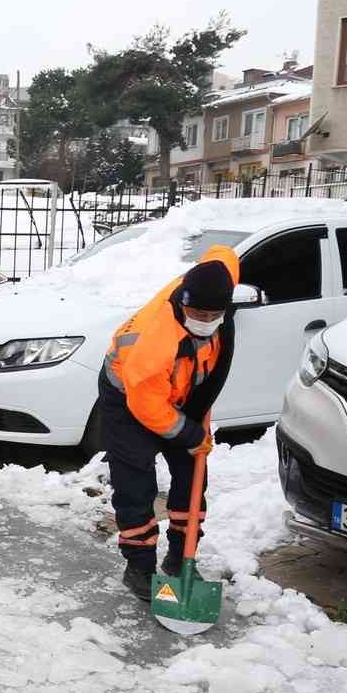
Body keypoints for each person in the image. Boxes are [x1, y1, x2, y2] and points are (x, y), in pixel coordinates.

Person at [98, 247, 240, 600]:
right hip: (130, 400)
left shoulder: (214, 282)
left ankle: (181, 558)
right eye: (197, 313)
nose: (206, 319)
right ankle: (140, 568)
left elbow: (223, 255)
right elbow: (147, 405)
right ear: (181, 305)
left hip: (183, 393)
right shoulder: (155, 342)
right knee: (135, 482)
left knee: (193, 475)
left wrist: (193, 428)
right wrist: (189, 433)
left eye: (214, 314)